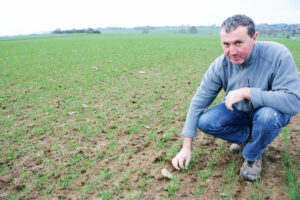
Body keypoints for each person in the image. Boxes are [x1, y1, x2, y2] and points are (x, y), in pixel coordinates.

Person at [171, 14, 300, 181]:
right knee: (205, 121)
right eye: (226, 44)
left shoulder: (278, 55)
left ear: (254, 38)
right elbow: (197, 103)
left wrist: (248, 92)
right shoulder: (220, 65)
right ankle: (250, 138)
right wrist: (186, 148)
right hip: (240, 112)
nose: (232, 52)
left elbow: (293, 103)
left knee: (267, 117)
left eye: (238, 43)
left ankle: (253, 155)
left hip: (269, 113)